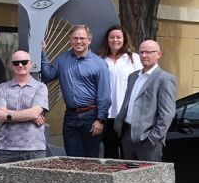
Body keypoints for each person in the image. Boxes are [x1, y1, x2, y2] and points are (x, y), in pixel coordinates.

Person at [41, 25, 111, 157]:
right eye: (75, 38)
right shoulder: (62, 60)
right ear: (70, 41)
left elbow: (104, 95)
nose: (79, 41)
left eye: (82, 38)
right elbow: (47, 76)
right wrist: (42, 53)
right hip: (70, 116)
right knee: (72, 159)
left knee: (91, 160)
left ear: (89, 40)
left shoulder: (99, 63)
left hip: (91, 116)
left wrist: (100, 120)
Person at [114, 40, 177, 162]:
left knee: (150, 179)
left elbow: (167, 114)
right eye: (141, 52)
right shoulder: (133, 76)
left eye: (148, 52)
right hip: (127, 135)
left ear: (158, 54)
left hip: (147, 140)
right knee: (128, 177)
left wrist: (153, 138)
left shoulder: (165, 79)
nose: (144, 55)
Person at [0, 51, 49, 164]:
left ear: (30, 64)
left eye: (24, 62)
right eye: (16, 63)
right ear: (12, 65)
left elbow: (34, 113)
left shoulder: (41, 87)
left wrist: (8, 115)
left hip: (34, 149)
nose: (20, 65)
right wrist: (30, 116)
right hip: (6, 149)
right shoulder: (2, 88)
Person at [99, 25, 141, 159]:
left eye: (118, 37)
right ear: (107, 39)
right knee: (109, 153)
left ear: (124, 39)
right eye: (112, 37)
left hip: (127, 115)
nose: (115, 40)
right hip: (107, 114)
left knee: (127, 153)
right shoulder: (100, 60)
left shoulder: (134, 58)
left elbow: (141, 83)